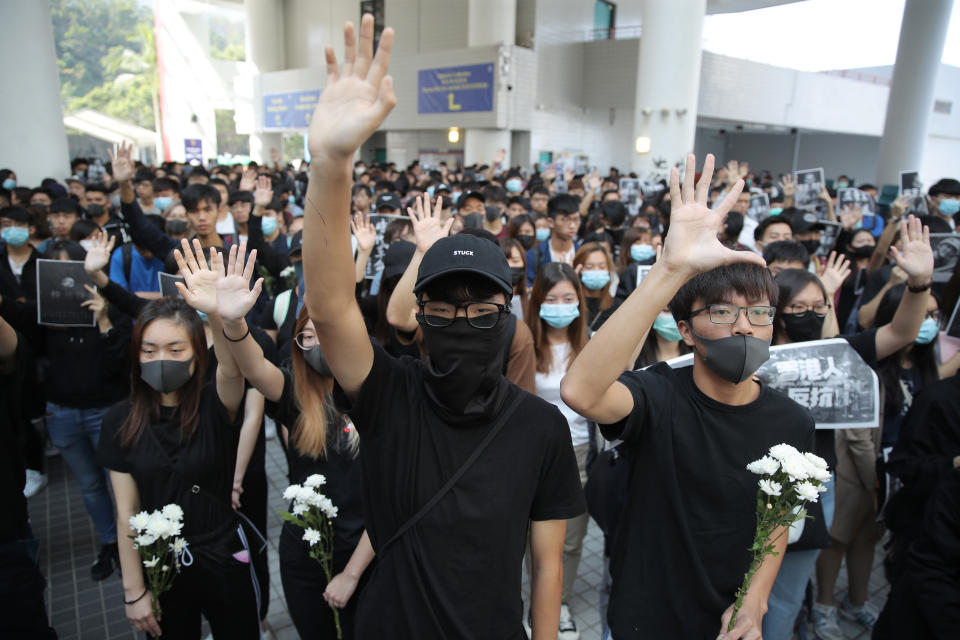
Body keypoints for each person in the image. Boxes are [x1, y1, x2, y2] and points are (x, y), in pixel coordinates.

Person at [302, 16, 584, 639]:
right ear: (419, 320)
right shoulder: (387, 394)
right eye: (444, 309)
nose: (463, 322)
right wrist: (330, 164)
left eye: (482, 310)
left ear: (508, 317)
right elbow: (329, 307)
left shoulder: (540, 428)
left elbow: (546, 567)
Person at [561, 153, 814, 640]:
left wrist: (755, 602)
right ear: (686, 330)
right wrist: (671, 269)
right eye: (722, 313)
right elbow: (582, 391)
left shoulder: (792, 421)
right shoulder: (655, 396)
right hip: (646, 616)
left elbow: (779, 519)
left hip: (730, 623)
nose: (744, 326)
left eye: (759, 313)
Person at [97, 240, 259, 638]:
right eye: (149, 350)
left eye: (174, 349)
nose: (160, 360)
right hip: (161, 563)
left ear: (196, 353)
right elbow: (126, 514)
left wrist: (217, 314)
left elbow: (232, 371)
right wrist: (134, 590)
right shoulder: (120, 420)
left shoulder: (215, 403)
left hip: (222, 553)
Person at [215, 246, 375, 638]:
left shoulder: (380, 395)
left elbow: (395, 498)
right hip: (304, 549)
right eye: (306, 337)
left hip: (368, 552)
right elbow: (253, 366)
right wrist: (233, 324)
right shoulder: (292, 394)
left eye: (325, 333)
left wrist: (352, 573)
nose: (317, 344)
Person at [525, 261, 591, 640]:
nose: (561, 306)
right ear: (538, 302)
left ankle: (558, 604)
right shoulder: (522, 343)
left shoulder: (591, 342)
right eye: (552, 299)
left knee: (570, 538)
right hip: (532, 456)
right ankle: (533, 604)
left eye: (569, 298)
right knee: (527, 537)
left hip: (579, 451)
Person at [525, 194, 582, 285]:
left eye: (576, 219)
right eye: (565, 219)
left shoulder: (583, 254)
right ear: (551, 223)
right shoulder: (534, 256)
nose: (572, 225)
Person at [572, 242, 615, 331]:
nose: (596, 271)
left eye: (602, 267)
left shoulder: (616, 305)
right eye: (589, 267)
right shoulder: (571, 304)